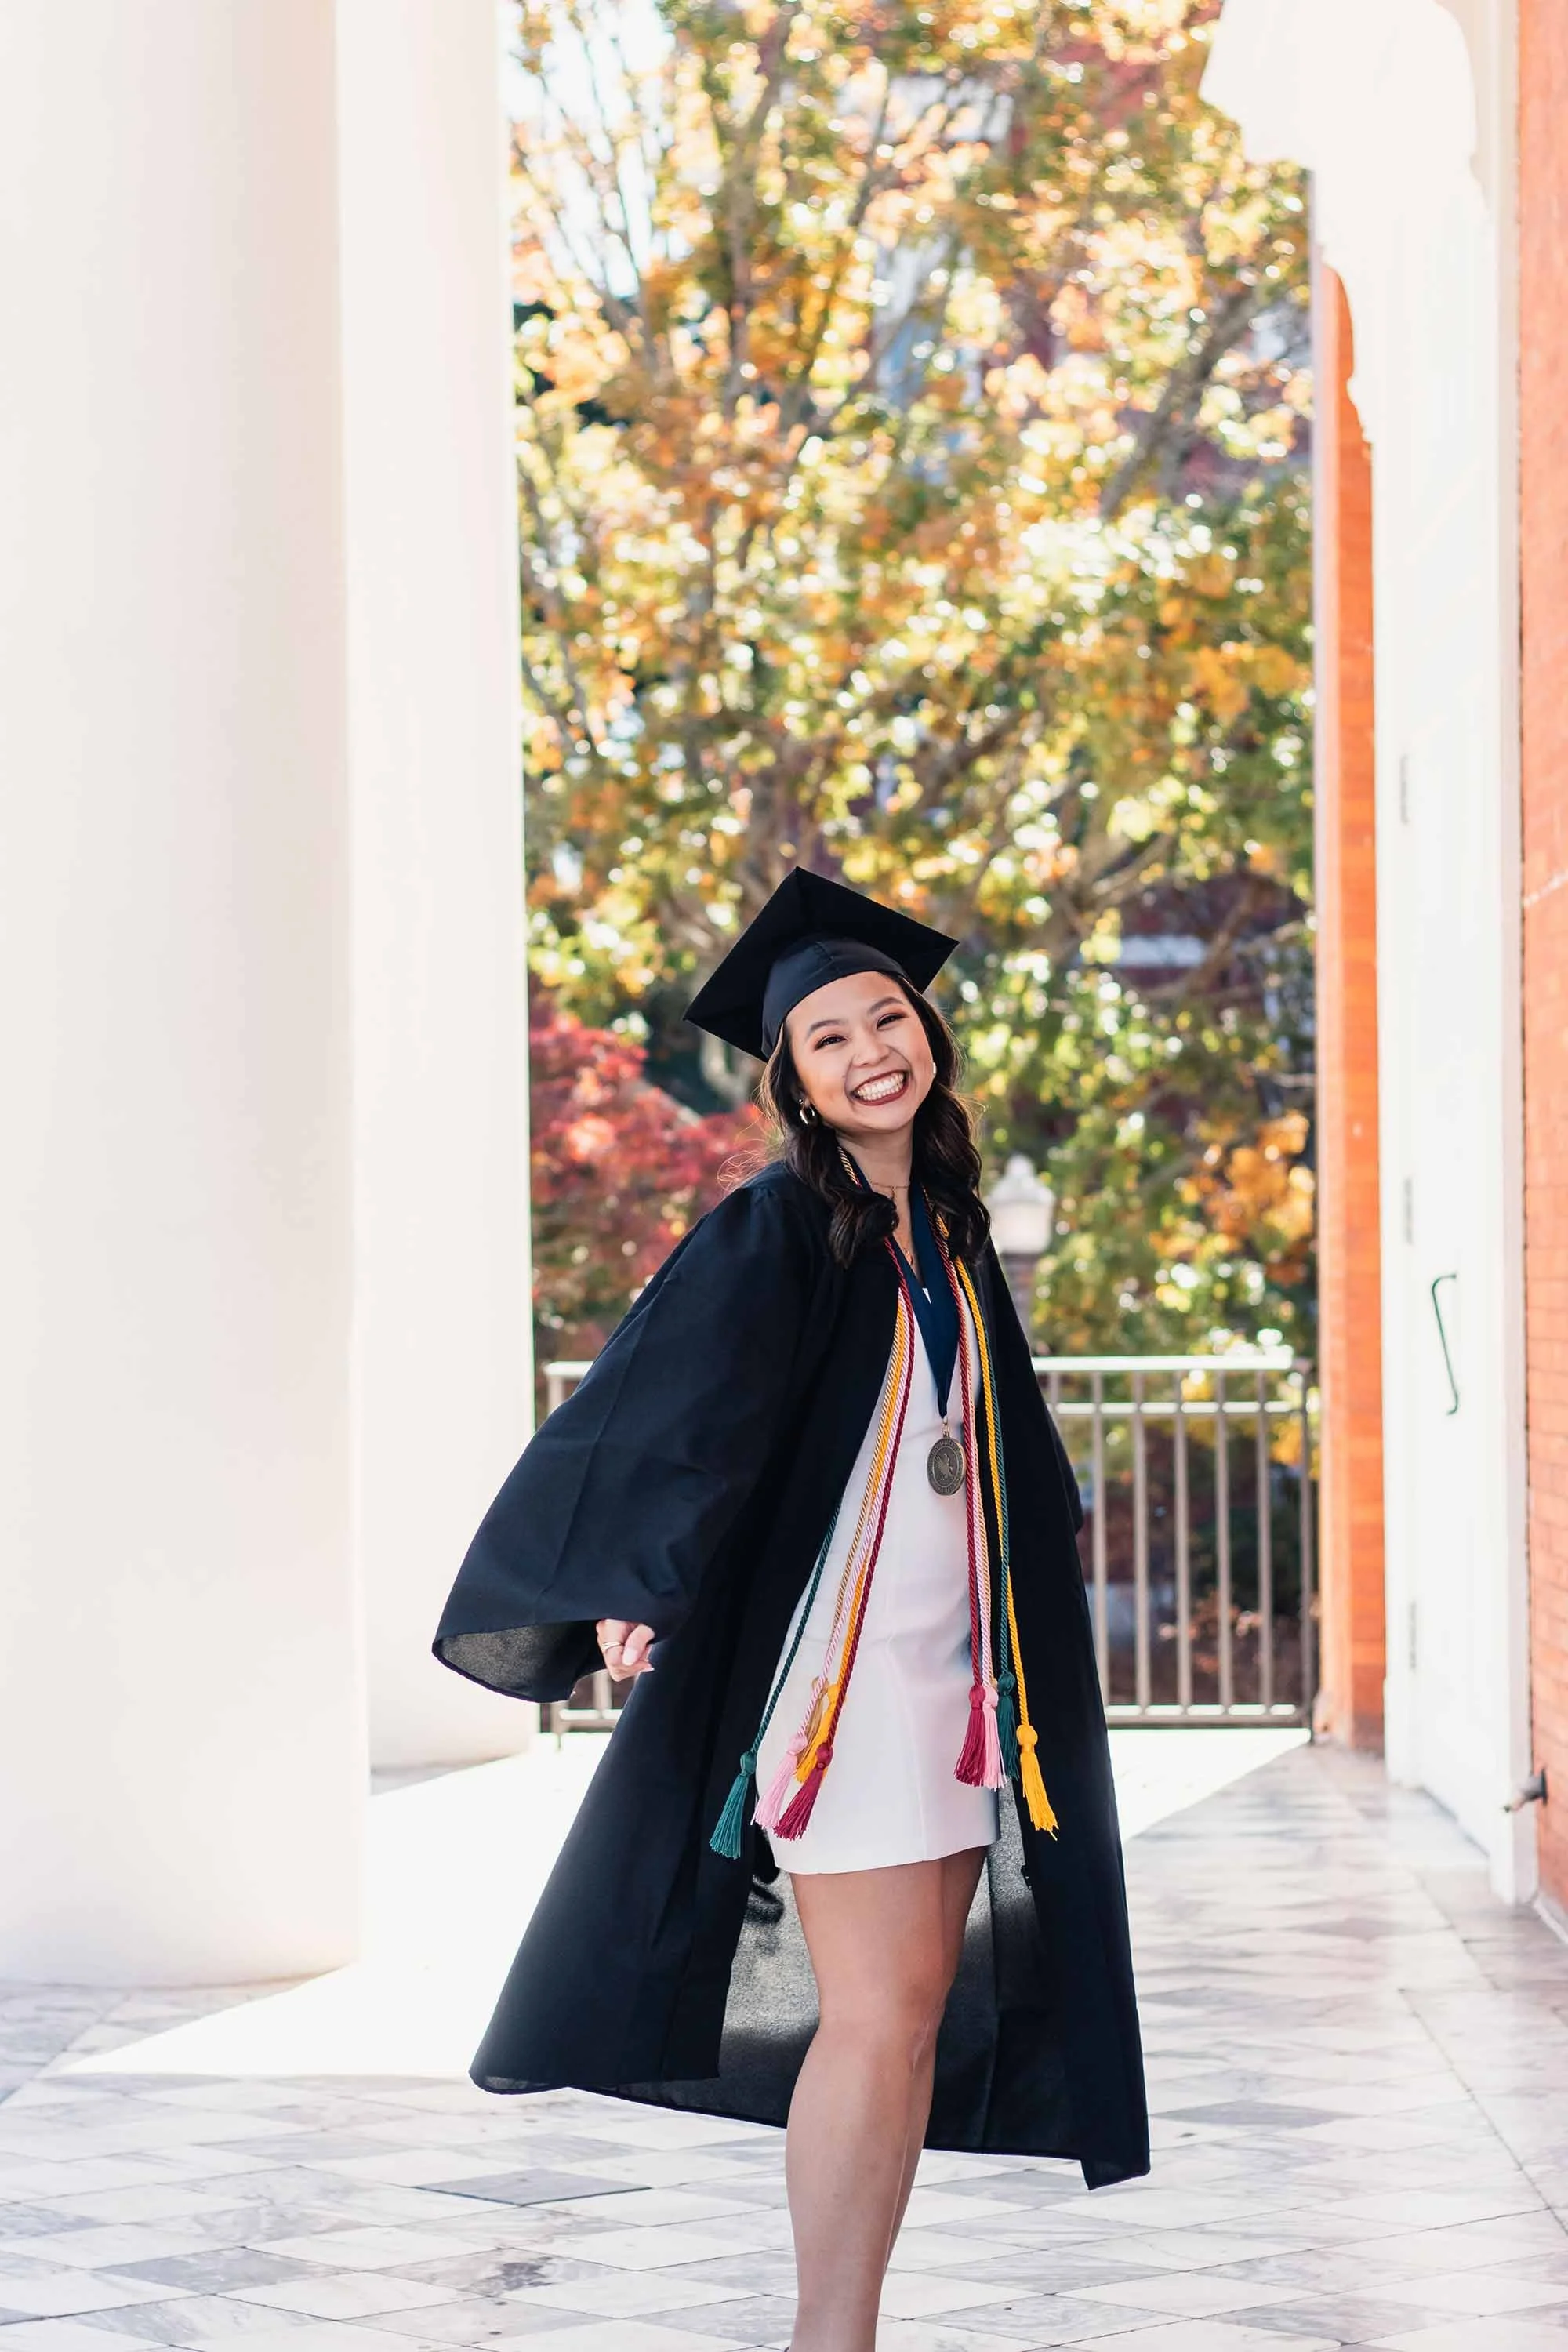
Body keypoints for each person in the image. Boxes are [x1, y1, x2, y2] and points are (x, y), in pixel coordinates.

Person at [434, 868, 1148, 2352]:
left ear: (927, 1039)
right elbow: (667, 1414)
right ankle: (829, 2339)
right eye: (831, 1038)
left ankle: (849, 2327)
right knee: (878, 2020)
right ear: (799, 1086)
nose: (873, 1047)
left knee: (904, 2019)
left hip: (956, 1683)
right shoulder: (780, 1228)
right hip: (843, 1690)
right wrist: (638, 1586)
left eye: (889, 1017)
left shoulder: (942, 1227)